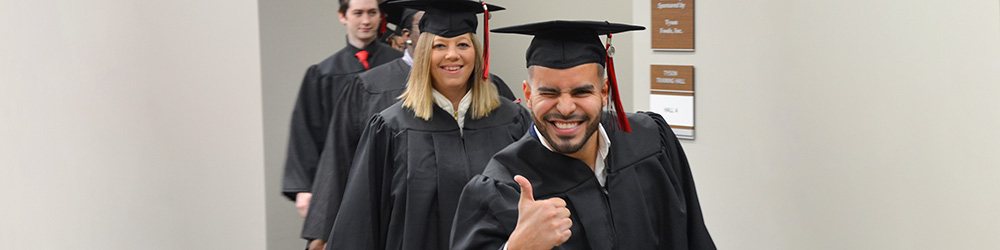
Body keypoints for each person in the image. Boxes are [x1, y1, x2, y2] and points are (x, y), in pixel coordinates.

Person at [450, 20, 716, 250]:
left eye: (581, 92)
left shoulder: (650, 141)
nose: (565, 108)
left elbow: (694, 237)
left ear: (604, 91)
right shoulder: (503, 186)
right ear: (528, 95)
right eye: (549, 93)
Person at [301, 0, 518, 247]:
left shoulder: (511, 120)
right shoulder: (391, 127)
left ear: (477, 52)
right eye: (439, 45)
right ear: (424, 53)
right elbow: (363, 214)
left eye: (463, 44)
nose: (452, 55)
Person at [281, 0, 402, 221]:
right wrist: (303, 188)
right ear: (342, 16)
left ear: (380, 16)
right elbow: (306, 131)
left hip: (394, 177)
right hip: (341, 179)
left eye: (372, 12)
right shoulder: (324, 73)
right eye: (358, 13)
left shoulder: (400, 66)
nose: (365, 20)